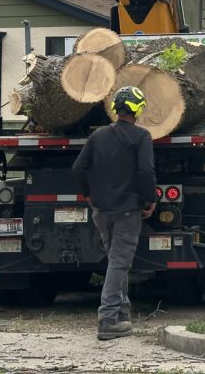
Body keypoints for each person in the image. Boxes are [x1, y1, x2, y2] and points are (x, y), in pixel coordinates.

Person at [72, 85, 157, 341]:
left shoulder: (98, 137)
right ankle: (108, 320)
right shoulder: (141, 137)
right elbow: (145, 172)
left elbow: (78, 168)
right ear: (138, 109)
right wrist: (150, 199)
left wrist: (88, 194)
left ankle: (122, 314)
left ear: (115, 108)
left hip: (101, 210)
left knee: (115, 262)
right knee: (120, 263)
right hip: (127, 211)